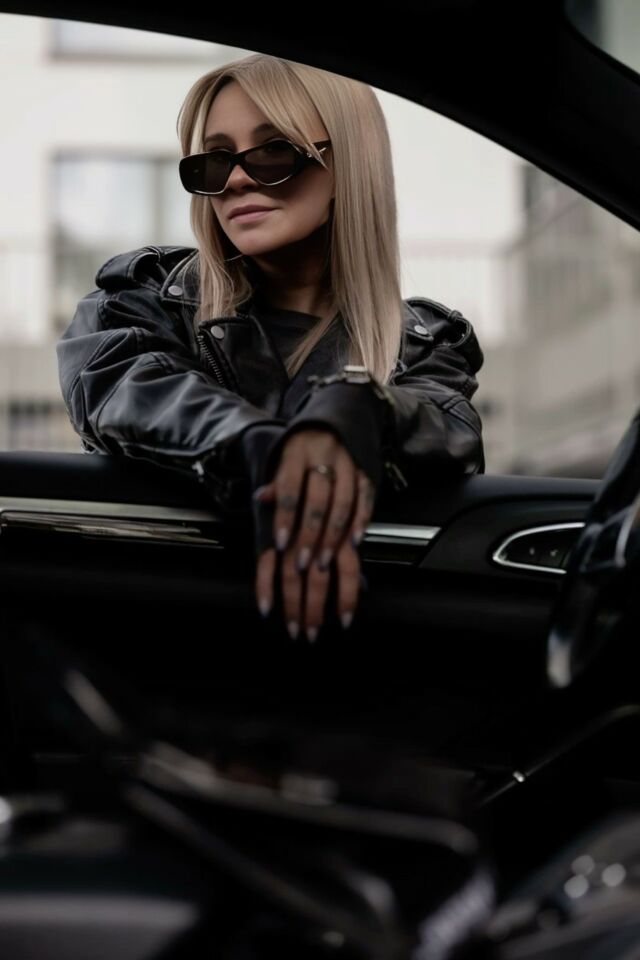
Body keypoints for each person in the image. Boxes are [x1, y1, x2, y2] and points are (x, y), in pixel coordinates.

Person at [56, 53, 485, 645]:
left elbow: (447, 428)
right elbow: (124, 384)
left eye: (273, 151)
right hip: (163, 642)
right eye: (213, 160)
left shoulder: (422, 343)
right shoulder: (145, 299)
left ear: (349, 164)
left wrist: (360, 411)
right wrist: (260, 447)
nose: (235, 180)